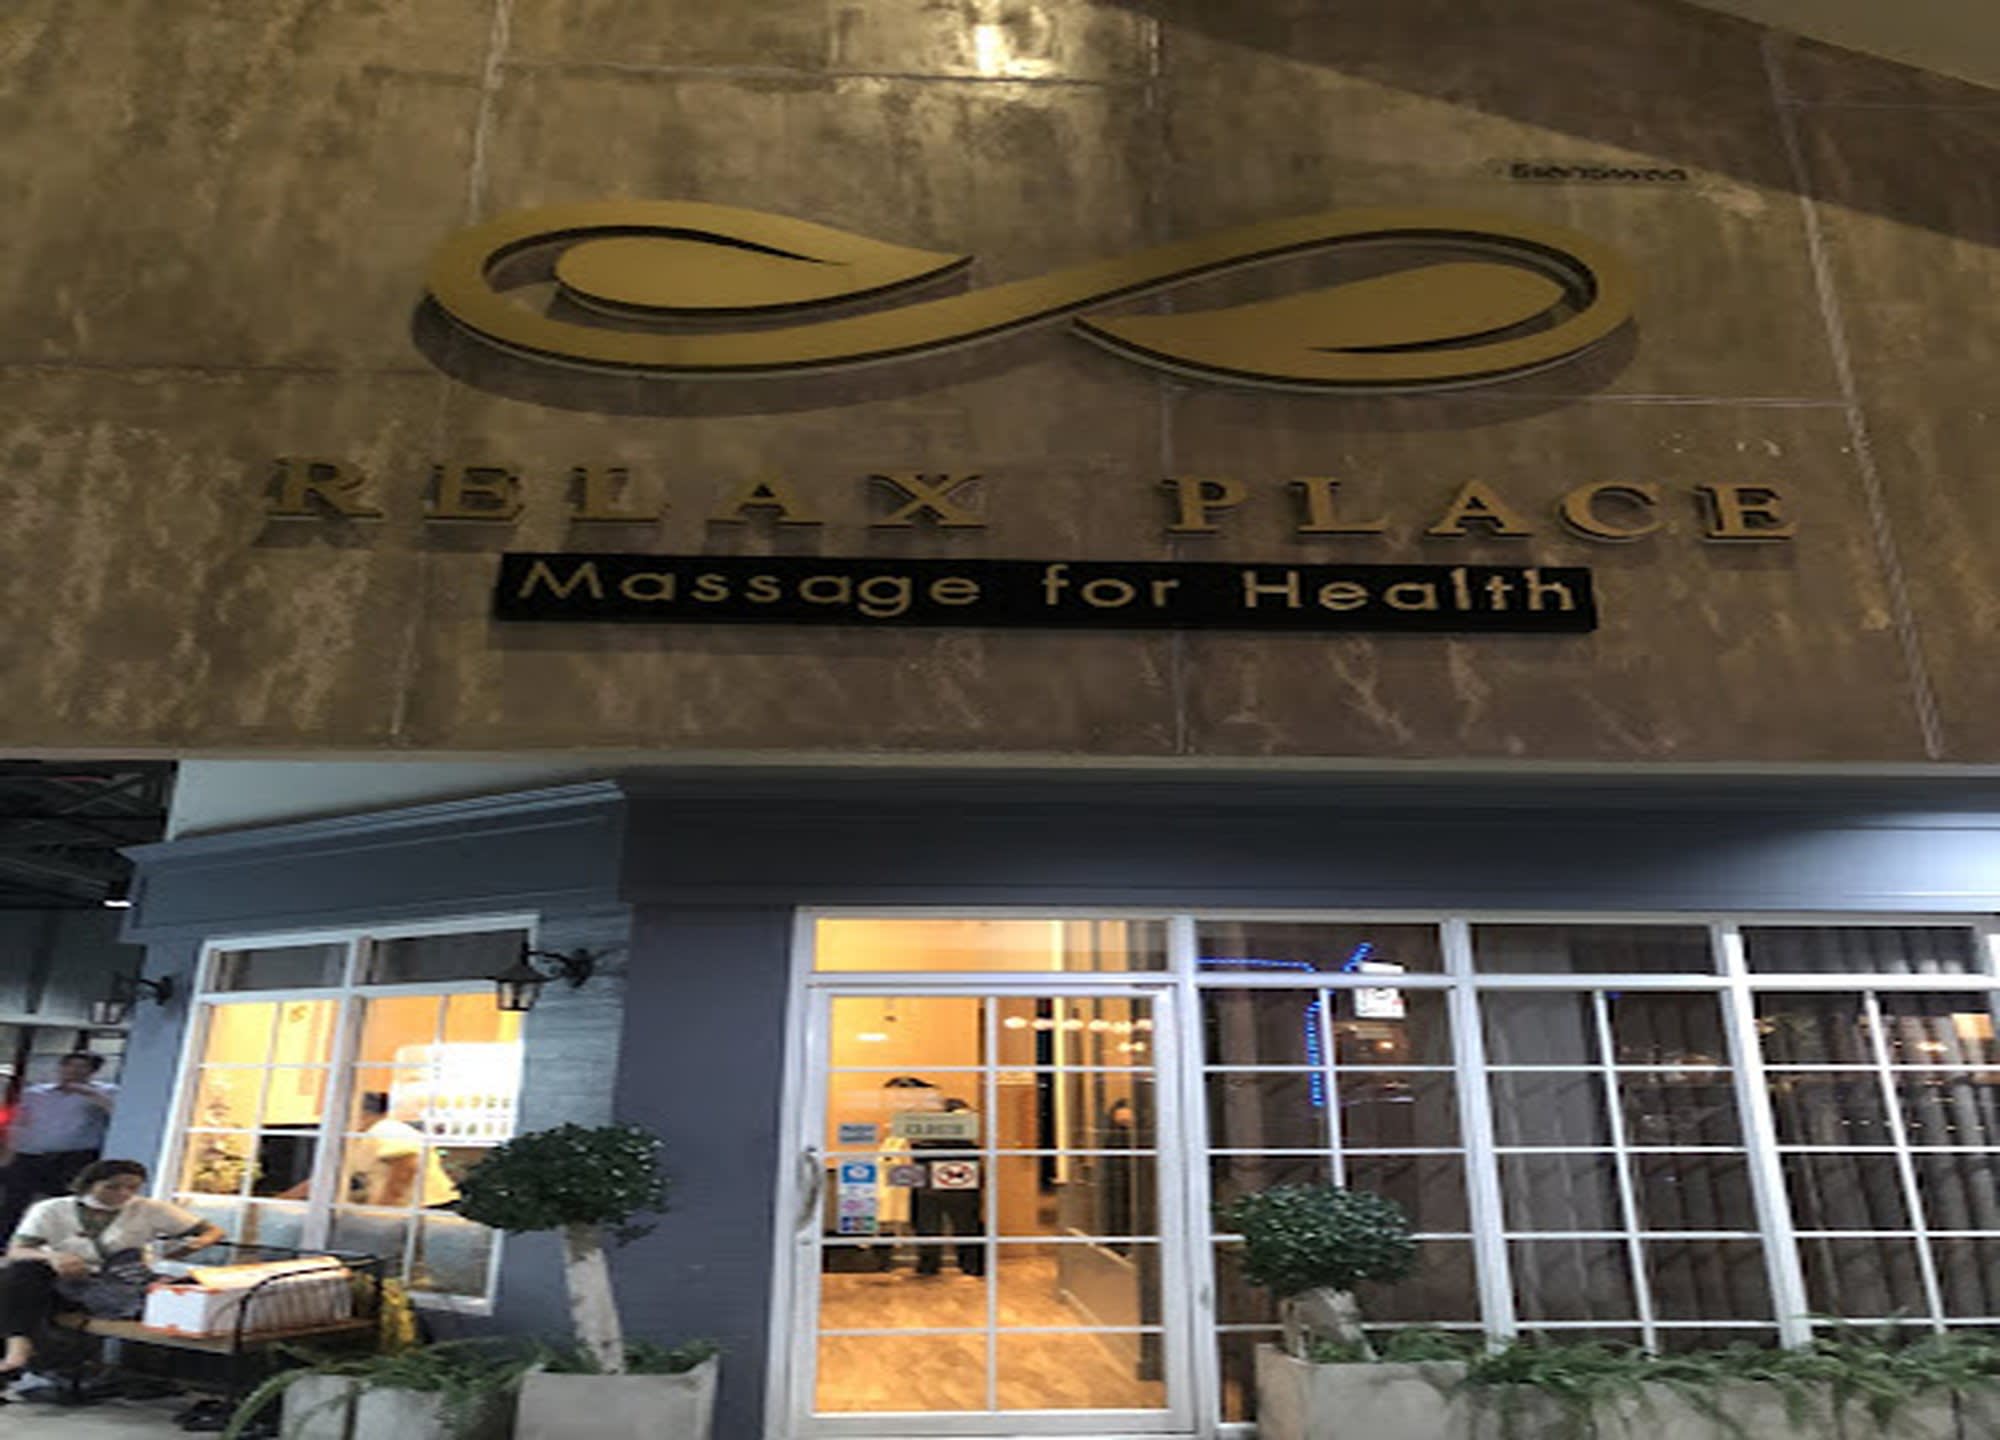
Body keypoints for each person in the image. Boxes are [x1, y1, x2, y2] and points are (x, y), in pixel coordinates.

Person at [0, 1159, 223, 1396]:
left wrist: (192, 1246)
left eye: (132, 1188)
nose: (123, 1193)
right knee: (22, 1273)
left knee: (18, 1290)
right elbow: (17, 1250)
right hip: (62, 1279)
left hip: (118, 1281)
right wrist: (53, 1256)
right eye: (112, 1187)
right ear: (89, 1184)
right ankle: (21, 1346)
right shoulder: (52, 1209)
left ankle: (27, 1354)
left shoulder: (149, 1209)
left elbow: (211, 1230)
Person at [0, 1053, 118, 1243]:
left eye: (82, 1067)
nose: (74, 1071)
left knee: (66, 1203)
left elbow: (120, 1115)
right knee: (14, 1201)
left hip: (74, 1157)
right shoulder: (35, 1093)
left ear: (92, 1071)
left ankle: (58, 1243)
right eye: (70, 1066)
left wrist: (91, 1095)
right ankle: (5, 1242)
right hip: (30, 1155)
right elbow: (20, 1123)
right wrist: (9, 1150)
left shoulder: (106, 1092)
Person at [349, 1092, 458, 1208]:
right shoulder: (364, 1135)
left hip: (426, 1204)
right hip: (412, 1205)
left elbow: (407, 1164)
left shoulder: (385, 1129)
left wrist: (384, 1204)